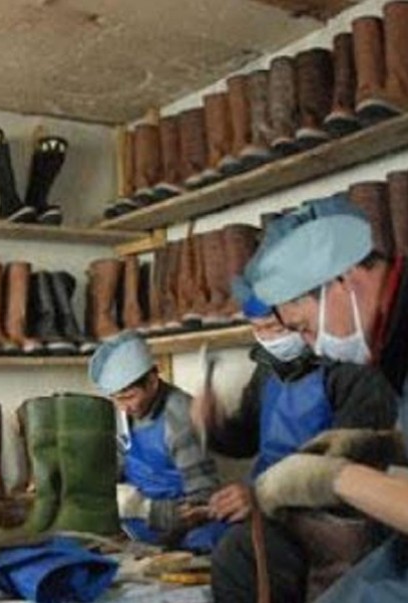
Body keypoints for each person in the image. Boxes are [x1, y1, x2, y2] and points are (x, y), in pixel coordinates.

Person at [241, 193, 408, 602]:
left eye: (304, 327)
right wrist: (384, 445)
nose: (313, 346)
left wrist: (334, 479)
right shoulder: (395, 343)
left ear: (342, 281)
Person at [198, 280, 398, 603]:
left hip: (331, 519)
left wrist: (261, 495)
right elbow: (244, 440)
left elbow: (353, 470)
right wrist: (214, 423)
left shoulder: (350, 369)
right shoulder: (268, 370)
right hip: (270, 506)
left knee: (240, 555)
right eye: (258, 330)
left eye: (277, 328)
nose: (270, 339)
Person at [88, 330, 225, 551]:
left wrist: (144, 509)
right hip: (136, 523)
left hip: (184, 525)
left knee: (211, 541)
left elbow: (204, 501)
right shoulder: (124, 413)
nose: (123, 408)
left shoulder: (179, 417)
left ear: (152, 381)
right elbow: (116, 466)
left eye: (129, 397)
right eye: (116, 399)